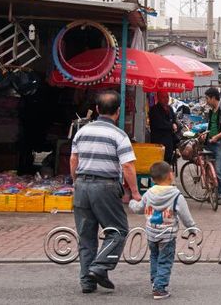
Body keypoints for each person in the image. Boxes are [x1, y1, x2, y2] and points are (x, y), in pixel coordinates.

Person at [70, 90, 141, 294]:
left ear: (98, 109)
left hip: (82, 186)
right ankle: (100, 267)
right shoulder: (119, 135)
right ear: (118, 112)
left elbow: (73, 160)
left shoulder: (82, 132)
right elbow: (128, 166)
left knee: (86, 236)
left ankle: (87, 281)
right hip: (105, 187)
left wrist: (76, 181)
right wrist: (135, 193)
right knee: (118, 231)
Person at [129, 161, 196, 300]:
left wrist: (131, 202)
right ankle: (160, 289)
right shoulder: (177, 196)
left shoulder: (148, 193)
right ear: (171, 175)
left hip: (151, 234)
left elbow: (138, 208)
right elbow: (185, 216)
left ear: (153, 179)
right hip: (167, 236)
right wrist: (192, 229)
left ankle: (155, 281)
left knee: (154, 257)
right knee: (165, 261)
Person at [149, 92, 178, 166]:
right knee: (159, 162)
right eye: (163, 97)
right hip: (158, 140)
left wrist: (175, 124)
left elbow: (174, 120)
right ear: (158, 98)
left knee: (168, 160)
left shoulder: (170, 108)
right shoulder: (154, 110)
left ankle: (166, 176)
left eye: (167, 97)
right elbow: (159, 123)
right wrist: (171, 126)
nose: (166, 99)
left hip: (169, 140)